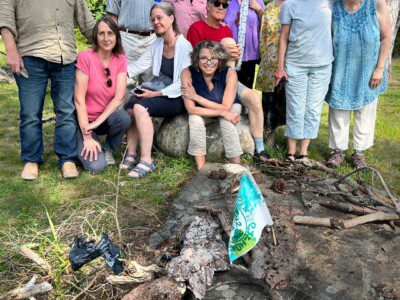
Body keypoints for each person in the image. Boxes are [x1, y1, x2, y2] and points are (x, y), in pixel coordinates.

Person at [0, 0, 95, 180]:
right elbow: (4, 16)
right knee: (30, 113)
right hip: (30, 55)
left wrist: (108, 45)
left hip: (65, 56)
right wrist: (11, 50)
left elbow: (87, 22)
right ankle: (31, 159)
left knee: (67, 110)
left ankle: (67, 158)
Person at [187, 0, 269, 162]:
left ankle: (260, 149)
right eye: (217, 3)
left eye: (225, 5)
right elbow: (196, 62)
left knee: (254, 97)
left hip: (226, 78)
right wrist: (222, 50)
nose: (221, 7)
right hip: (205, 79)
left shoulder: (226, 30)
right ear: (208, 6)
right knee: (227, 43)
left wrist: (235, 56)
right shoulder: (196, 28)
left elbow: (230, 65)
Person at [121, 2, 192, 178]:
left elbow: (182, 84)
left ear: (171, 18)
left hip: (177, 95)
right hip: (160, 87)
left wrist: (154, 94)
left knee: (140, 107)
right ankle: (131, 153)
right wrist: (116, 75)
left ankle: (146, 161)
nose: (156, 22)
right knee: (130, 104)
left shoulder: (185, 46)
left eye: (159, 18)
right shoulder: (157, 44)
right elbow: (138, 66)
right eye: (153, 19)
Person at [326, 0, 391, 169]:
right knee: (338, 111)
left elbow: (386, 37)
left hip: (368, 72)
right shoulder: (334, 6)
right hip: (340, 69)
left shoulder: (376, 4)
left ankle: (359, 153)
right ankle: (338, 151)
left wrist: (379, 68)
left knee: (365, 112)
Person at [274, 0, 334, 162]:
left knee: (313, 109)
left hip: (322, 66)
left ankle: (304, 152)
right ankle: (291, 152)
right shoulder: (290, 5)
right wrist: (280, 66)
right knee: (296, 108)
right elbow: (283, 37)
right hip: (295, 65)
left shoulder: (329, 2)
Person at [74, 16, 131, 174]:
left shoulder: (120, 59)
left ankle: (107, 148)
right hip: (84, 119)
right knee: (97, 167)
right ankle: (79, 145)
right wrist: (87, 135)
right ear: (95, 36)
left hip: (103, 119)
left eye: (110, 33)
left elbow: (119, 97)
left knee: (124, 117)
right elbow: (79, 100)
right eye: (101, 34)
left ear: (116, 37)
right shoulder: (85, 57)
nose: (106, 38)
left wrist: (98, 122)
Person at [181, 41, 243, 170]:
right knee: (194, 120)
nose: (209, 62)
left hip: (230, 106)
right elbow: (191, 109)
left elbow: (226, 107)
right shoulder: (187, 73)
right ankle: (201, 169)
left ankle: (236, 167)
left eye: (213, 58)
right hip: (203, 111)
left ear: (220, 59)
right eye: (203, 58)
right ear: (196, 59)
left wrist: (196, 97)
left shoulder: (230, 73)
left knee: (227, 121)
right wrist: (221, 112)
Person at [255, 0, 286, 148]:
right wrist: (264, 58)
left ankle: (292, 140)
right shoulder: (269, 7)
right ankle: (269, 136)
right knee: (269, 101)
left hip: (290, 61)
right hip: (269, 61)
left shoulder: (296, 5)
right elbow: (263, 35)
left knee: (287, 101)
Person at [106, 0, 156, 86]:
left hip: (151, 38)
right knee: (124, 81)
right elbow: (113, 15)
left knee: (150, 83)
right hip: (127, 38)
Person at [224, 0, 265, 88]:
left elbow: (267, 25)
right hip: (229, 52)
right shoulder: (226, 2)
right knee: (227, 86)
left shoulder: (258, 2)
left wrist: (259, 11)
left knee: (246, 88)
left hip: (250, 53)